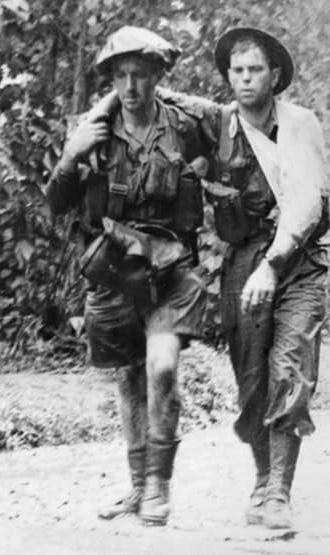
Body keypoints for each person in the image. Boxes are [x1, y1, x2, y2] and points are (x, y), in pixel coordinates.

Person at [93, 26, 330, 530]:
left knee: (289, 369)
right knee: (251, 379)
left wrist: (274, 264)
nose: (246, 79)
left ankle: (278, 493)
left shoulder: (299, 124)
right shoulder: (218, 122)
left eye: (256, 70)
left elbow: (308, 203)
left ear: (275, 76)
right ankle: (262, 478)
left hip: (297, 262)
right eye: (237, 71)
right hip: (242, 260)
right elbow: (149, 94)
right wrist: (96, 117)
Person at [46, 26, 213, 527]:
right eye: (121, 76)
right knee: (128, 377)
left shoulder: (185, 126)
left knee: (161, 366)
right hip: (115, 269)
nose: (131, 87)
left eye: (140, 74)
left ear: (158, 75)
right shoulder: (93, 130)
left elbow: (232, 145)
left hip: (171, 268)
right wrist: (72, 154)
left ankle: (159, 484)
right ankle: (139, 486)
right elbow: (55, 202)